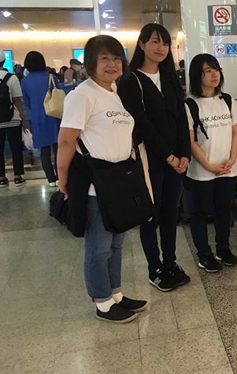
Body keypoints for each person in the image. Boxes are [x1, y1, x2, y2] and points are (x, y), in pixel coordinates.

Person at [57, 35, 148, 323]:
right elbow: (66, 141)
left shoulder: (113, 92)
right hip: (96, 184)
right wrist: (62, 180)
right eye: (105, 58)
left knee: (117, 244)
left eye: (117, 58)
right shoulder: (82, 95)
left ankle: (115, 293)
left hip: (119, 180)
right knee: (98, 247)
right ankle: (102, 301)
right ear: (90, 63)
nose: (112, 64)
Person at [118, 23, 191, 292]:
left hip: (176, 160)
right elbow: (142, 122)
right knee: (151, 213)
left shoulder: (170, 78)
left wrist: (184, 154)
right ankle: (155, 267)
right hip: (149, 159)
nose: (161, 48)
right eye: (155, 42)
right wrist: (169, 156)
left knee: (170, 212)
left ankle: (170, 262)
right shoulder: (131, 80)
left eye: (165, 43)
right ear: (142, 44)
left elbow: (181, 118)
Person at [185, 54, 237, 273]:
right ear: (197, 75)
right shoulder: (190, 104)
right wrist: (208, 165)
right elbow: (190, 141)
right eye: (207, 70)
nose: (214, 74)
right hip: (201, 171)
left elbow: (235, 133)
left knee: (224, 211)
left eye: (216, 69)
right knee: (199, 214)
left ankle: (223, 248)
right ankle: (204, 254)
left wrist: (232, 158)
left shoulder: (227, 100)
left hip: (228, 168)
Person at [21, 51, 61, 186]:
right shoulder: (51, 77)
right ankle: (60, 177)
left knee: (44, 151)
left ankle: (51, 179)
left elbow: (27, 102)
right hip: (54, 116)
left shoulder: (25, 81)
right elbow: (59, 95)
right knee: (58, 149)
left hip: (38, 118)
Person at [0, 51, 27, 188]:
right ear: (4, 61)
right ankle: (18, 176)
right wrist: (23, 119)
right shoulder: (12, 78)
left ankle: (1, 178)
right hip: (13, 119)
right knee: (16, 148)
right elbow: (17, 100)